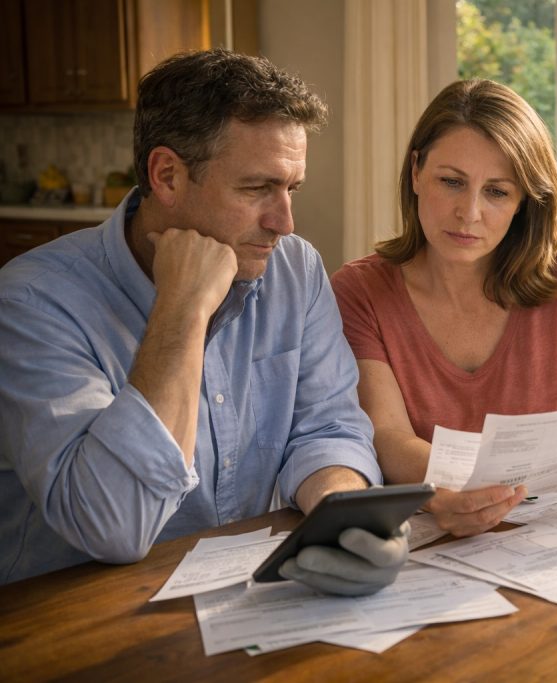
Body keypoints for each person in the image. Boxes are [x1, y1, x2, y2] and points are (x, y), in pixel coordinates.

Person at [0, 49, 407, 594]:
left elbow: (327, 427)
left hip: (239, 591)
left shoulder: (295, 269)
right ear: (167, 176)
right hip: (71, 614)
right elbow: (112, 526)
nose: (284, 222)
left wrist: (340, 508)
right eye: (256, 188)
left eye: (291, 189)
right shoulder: (32, 302)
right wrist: (182, 309)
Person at [331, 79, 557, 538]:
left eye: (496, 191)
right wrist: (444, 492)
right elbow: (388, 438)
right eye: (451, 181)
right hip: (431, 538)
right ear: (416, 172)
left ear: (522, 201)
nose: (469, 212)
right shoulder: (359, 291)